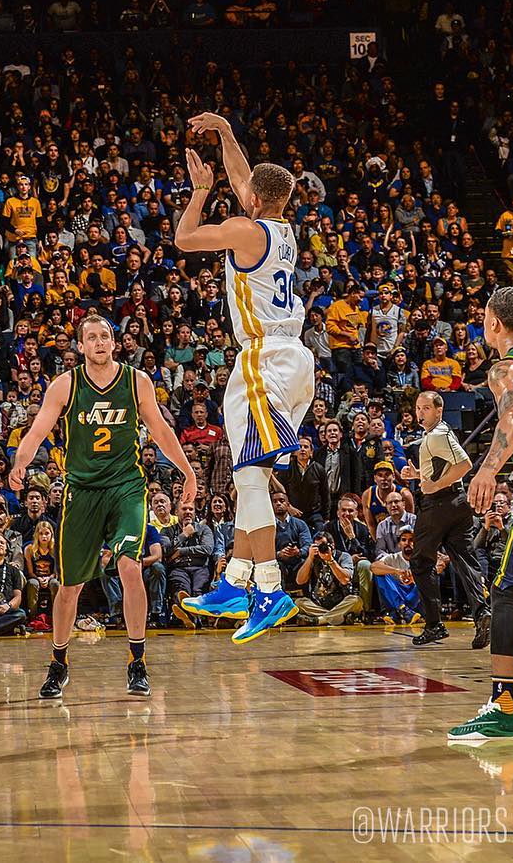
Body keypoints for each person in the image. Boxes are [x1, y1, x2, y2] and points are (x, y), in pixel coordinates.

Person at [178, 116, 314, 643]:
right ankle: (237, 579)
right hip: (295, 358)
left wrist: (200, 191)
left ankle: (269, 589)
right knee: (248, 477)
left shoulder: (244, 228)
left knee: (250, 476)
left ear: (252, 198)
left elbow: (185, 238)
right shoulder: (279, 230)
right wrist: (224, 132)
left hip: (261, 359)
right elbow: (247, 181)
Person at [10, 314, 196, 700]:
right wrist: (21, 462)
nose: (98, 342)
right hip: (82, 491)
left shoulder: (136, 381)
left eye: (105, 336)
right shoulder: (65, 385)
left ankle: (137, 661)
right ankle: (59, 663)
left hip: (126, 488)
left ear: (115, 343)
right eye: (90, 337)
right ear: (80, 346)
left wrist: (188, 471)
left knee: (129, 567)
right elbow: (39, 428)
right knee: (68, 587)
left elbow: (161, 430)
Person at [450, 287, 513, 740]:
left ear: (494, 324)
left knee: (505, 590)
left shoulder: (507, 366)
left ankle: (504, 708)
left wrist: (486, 471)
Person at [400, 391, 490, 649]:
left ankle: (433, 624)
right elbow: (447, 467)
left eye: (426, 408)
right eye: (418, 408)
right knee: (464, 560)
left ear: (439, 410)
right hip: (456, 504)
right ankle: (482, 614)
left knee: (419, 562)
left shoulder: (438, 434)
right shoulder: (435, 434)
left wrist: (433, 484)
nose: (420, 413)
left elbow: (464, 465)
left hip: (439, 504)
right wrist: (420, 476)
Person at [370, 526, 422, 624]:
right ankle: (403, 610)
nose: (407, 543)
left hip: (414, 597)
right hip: (397, 593)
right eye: (404, 540)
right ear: (399, 544)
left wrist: (414, 578)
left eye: (411, 540)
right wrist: (395, 571)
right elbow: (373, 567)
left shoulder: (422, 558)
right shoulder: (392, 558)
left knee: (425, 578)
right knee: (380, 574)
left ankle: (396, 613)